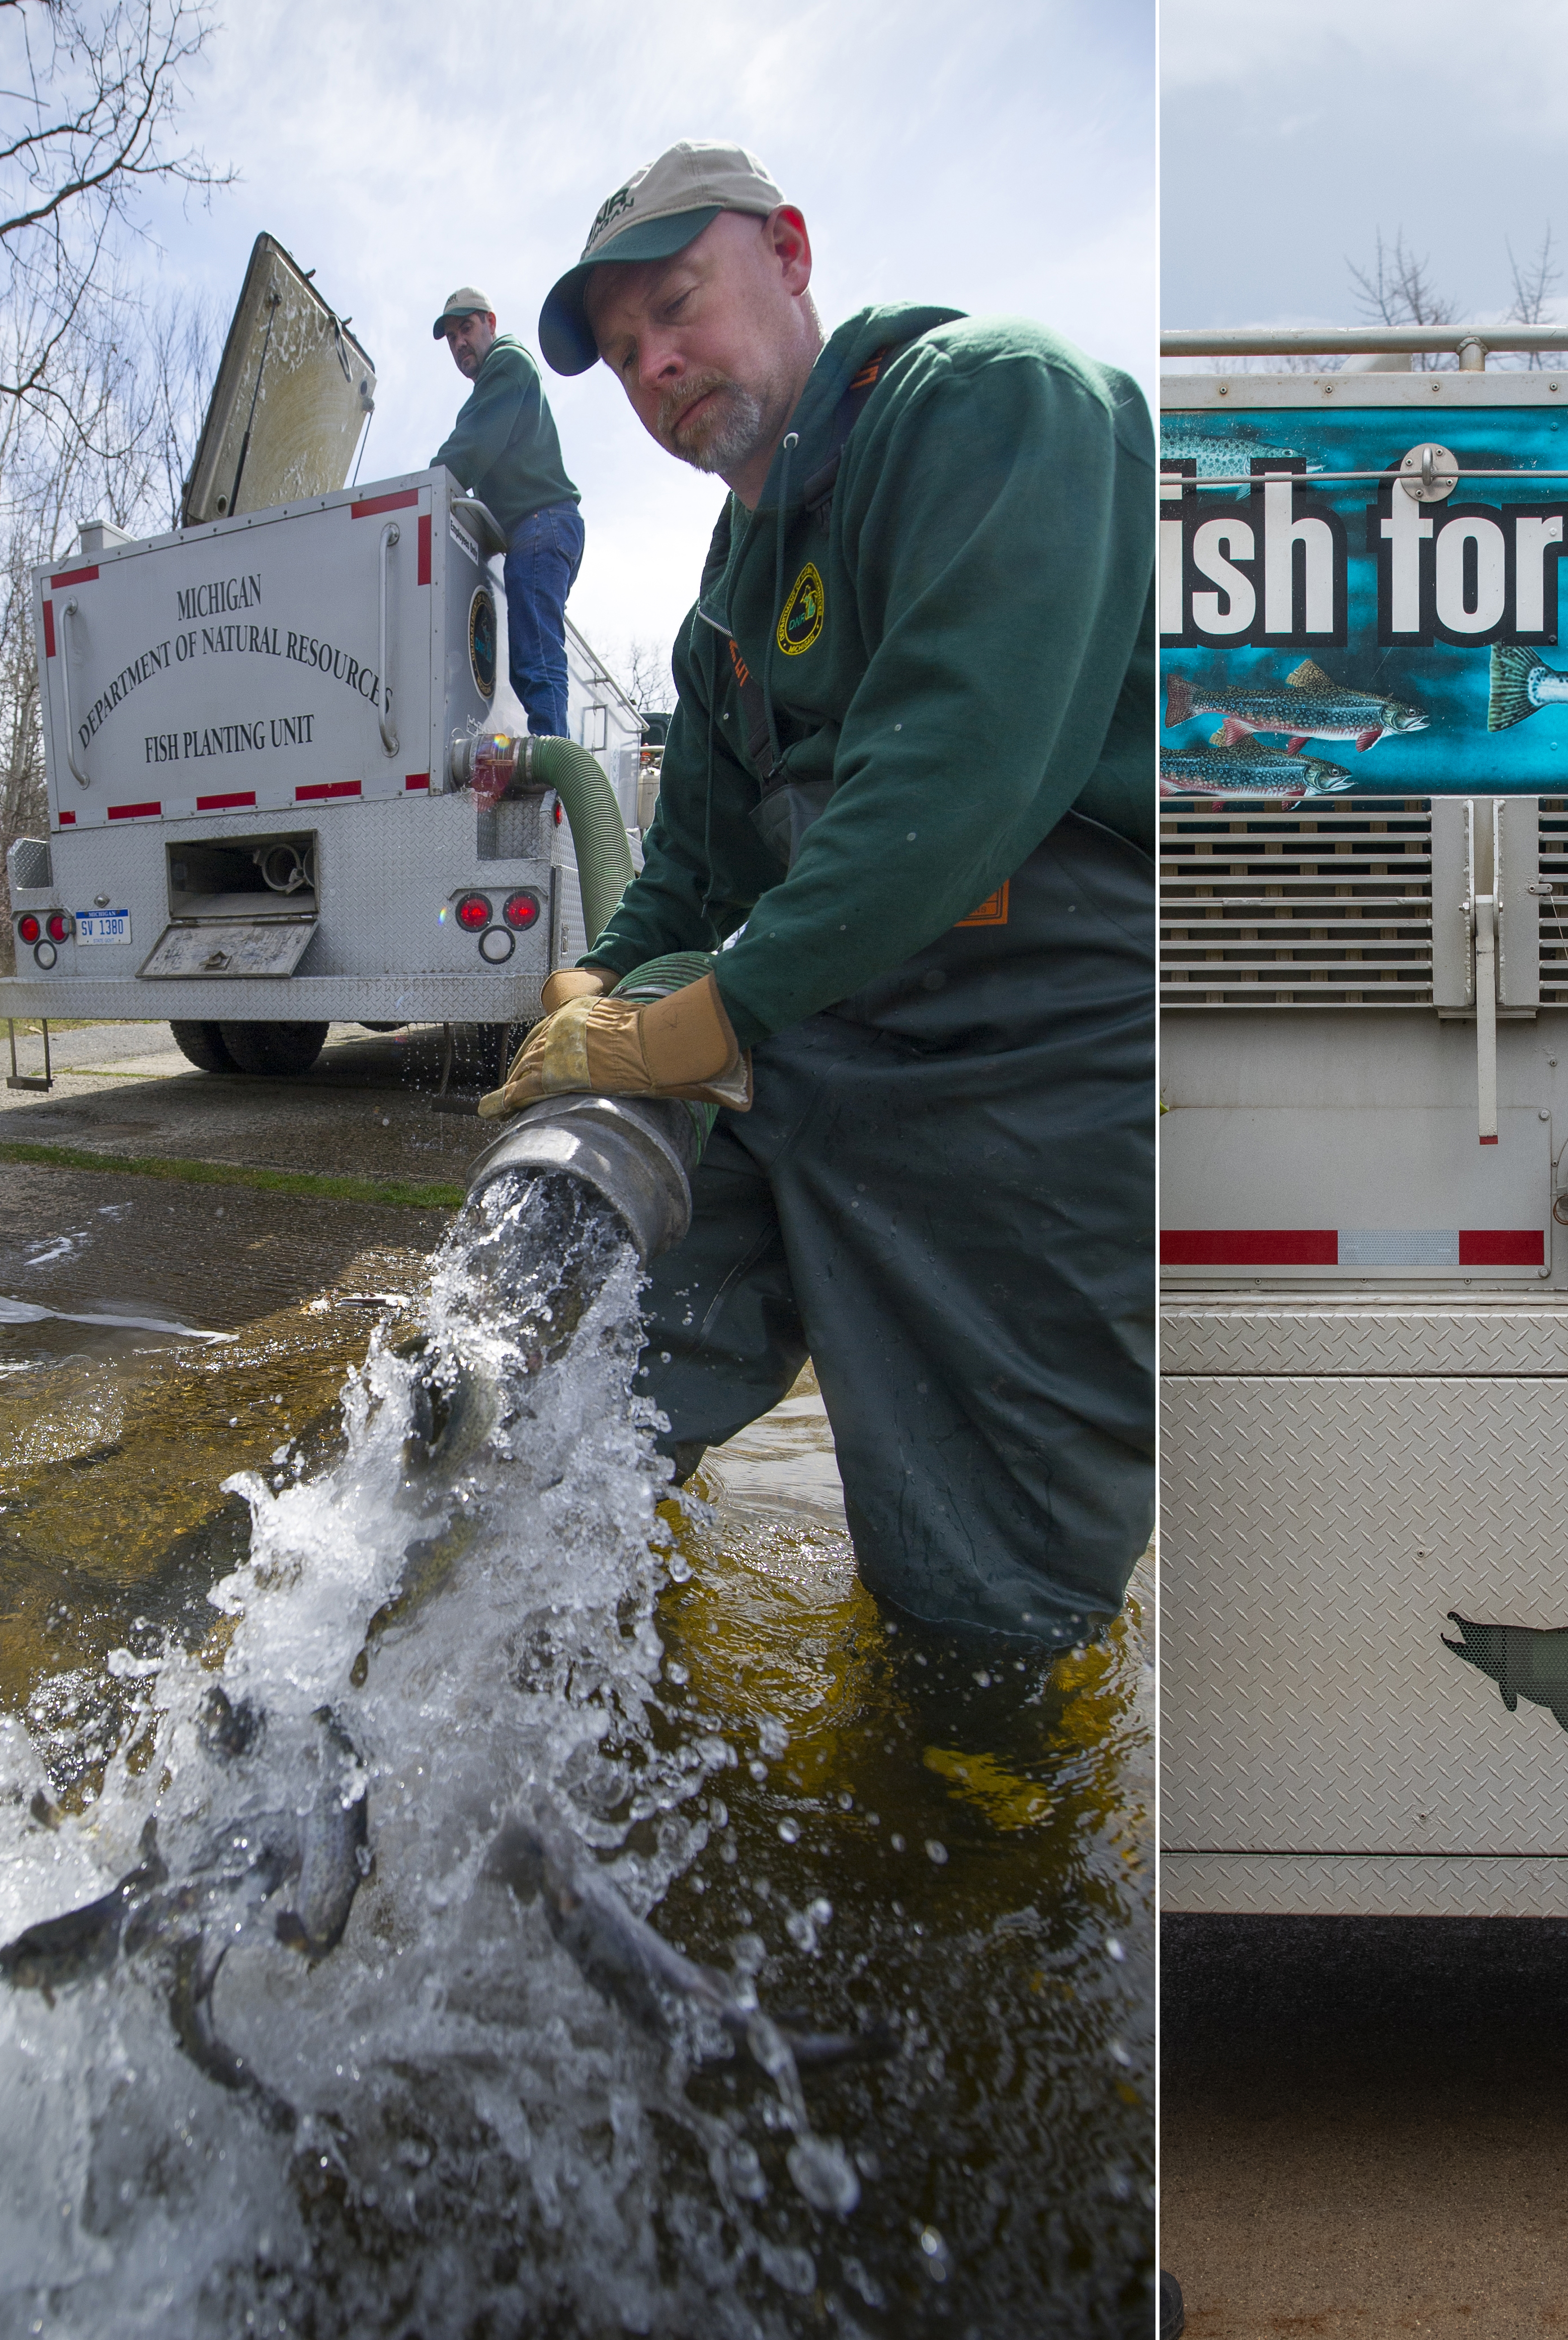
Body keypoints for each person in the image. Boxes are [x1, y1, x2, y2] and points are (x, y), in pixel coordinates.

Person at [481, 142, 1152, 1673]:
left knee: (983, 1612)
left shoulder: (991, 404)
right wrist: (601, 980)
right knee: (567, 1383)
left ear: (788, 251)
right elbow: (701, 868)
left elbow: (952, 781)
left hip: (1028, 1063)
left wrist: (700, 1015)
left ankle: (986, 1833)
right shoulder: (730, 587)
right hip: (817, 1041)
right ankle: (541, 1659)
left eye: (676, 303)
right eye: (627, 352)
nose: (657, 363)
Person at [429, 288, 586, 737]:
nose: (460, 343)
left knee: (537, 663)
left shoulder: (508, 364)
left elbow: (470, 447)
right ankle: (557, 770)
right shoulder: (498, 380)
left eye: (467, 328)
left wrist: (423, 489)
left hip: (540, 525)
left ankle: (556, 780)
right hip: (543, 529)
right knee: (533, 663)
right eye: (452, 338)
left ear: (490, 323)